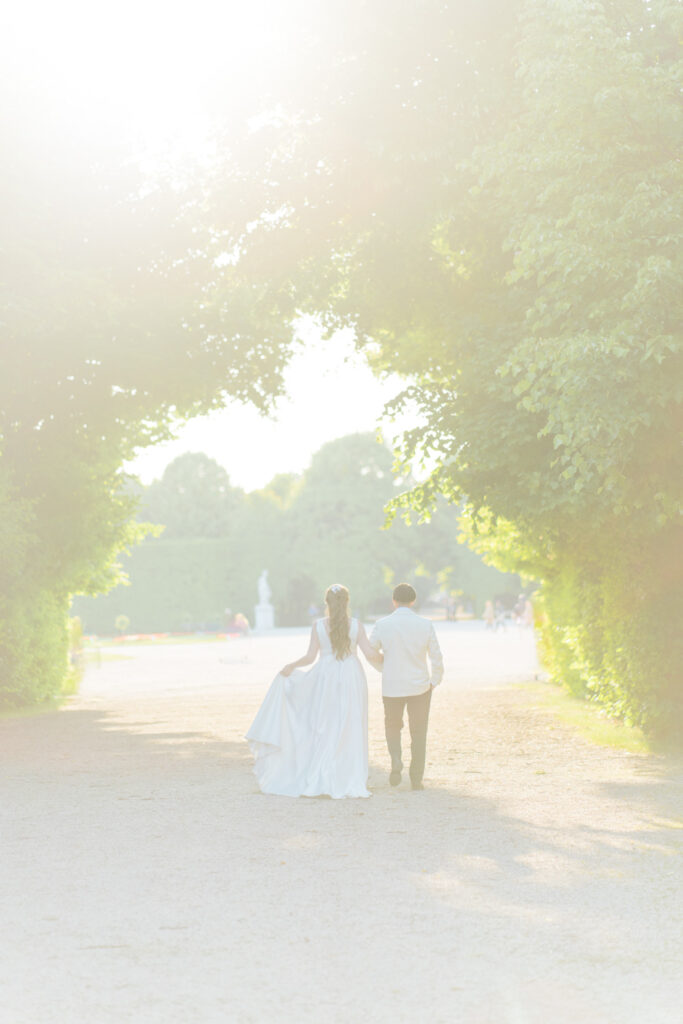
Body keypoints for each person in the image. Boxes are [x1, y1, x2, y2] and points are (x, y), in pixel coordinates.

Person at [246, 584, 383, 798]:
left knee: (325, 726)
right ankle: (348, 775)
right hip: (351, 675)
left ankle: (323, 774)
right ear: (347, 602)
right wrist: (391, 656)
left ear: (327, 603)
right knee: (350, 724)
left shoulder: (318, 626)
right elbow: (370, 654)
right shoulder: (357, 626)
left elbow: (310, 657)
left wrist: (292, 665)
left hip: (325, 676)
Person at [369, 583, 444, 791]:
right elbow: (436, 656)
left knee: (392, 725)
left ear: (394, 601)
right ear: (413, 601)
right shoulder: (425, 624)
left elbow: (370, 651)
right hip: (419, 685)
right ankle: (416, 778)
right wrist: (434, 680)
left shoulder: (382, 624)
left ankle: (395, 758)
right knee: (419, 731)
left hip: (392, 685)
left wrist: (383, 667)